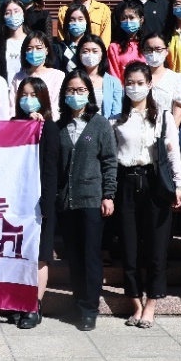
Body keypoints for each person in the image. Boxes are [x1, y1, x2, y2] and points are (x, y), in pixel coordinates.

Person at [114, 62, 181, 328]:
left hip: (155, 182)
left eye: (140, 83)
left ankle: (152, 304)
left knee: (156, 247)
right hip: (126, 182)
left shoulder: (163, 116)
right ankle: (135, 303)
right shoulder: (116, 119)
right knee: (129, 247)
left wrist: (179, 185)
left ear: (149, 84)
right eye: (130, 83)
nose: (135, 88)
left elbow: (173, 152)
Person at [48, 70, 117, 331]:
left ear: (89, 93)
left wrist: (108, 194)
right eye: (70, 90)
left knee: (90, 256)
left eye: (80, 90)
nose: (75, 95)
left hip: (91, 199)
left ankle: (90, 308)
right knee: (74, 257)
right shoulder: (59, 126)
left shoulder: (100, 125)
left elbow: (109, 161)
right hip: (67, 202)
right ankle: (78, 303)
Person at [16, 77, 54, 329]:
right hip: (16, 201)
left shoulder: (49, 128)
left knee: (40, 255)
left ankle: (34, 305)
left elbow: (51, 169)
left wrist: (47, 204)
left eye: (33, 95)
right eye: (24, 95)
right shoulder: (13, 125)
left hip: (40, 202)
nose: (28, 100)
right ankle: (17, 302)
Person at [140, 32, 181, 126]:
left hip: (166, 130)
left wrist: (169, 132)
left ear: (166, 51)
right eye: (148, 49)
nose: (153, 53)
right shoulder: (137, 78)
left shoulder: (179, 80)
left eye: (158, 49)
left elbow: (178, 114)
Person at [11, 31, 64, 120]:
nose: (34, 52)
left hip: (49, 123)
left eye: (38, 48)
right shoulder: (18, 77)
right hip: (23, 124)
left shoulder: (58, 76)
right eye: (29, 48)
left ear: (46, 50)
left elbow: (56, 106)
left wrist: (44, 121)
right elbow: (12, 107)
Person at [77, 35, 122, 119]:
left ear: (102, 54)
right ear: (79, 54)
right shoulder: (72, 79)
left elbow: (116, 113)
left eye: (95, 51)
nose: (90, 55)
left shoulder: (114, 82)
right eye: (85, 51)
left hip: (104, 125)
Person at [107, 0, 145, 79]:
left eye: (132, 17)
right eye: (124, 18)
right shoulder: (114, 47)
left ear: (141, 20)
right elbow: (114, 75)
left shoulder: (147, 45)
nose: (128, 21)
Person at [0, 0, 29, 81]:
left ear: (23, 14)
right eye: (8, 13)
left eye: (16, 11)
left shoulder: (33, 41)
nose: (13, 15)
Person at [56, 4, 90, 74]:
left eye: (80, 19)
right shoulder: (59, 48)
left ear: (86, 21)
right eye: (72, 20)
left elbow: (102, 69)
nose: (76, 23)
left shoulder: (94, 45)